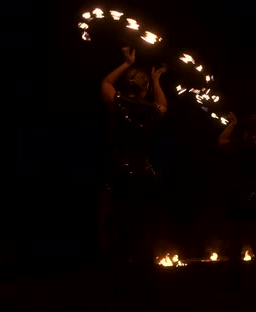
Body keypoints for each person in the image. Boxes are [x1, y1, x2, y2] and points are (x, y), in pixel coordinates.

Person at [98, 46, 167, 296]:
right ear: (145, 88)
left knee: (119, 230)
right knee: (143, 230)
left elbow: (106, 82)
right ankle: (145, 285)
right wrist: (157, 81)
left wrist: (126, 63)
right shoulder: (151, 110)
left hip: (121, 175)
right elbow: (163, 106)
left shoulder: (116, 103)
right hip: (145, 176)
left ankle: (120, 286)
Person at [216, 105, 256, 291]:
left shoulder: (234, 147)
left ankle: (233, 282)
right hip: (255, 199)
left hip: (235, 198)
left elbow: (221, 140)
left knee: (235, 242)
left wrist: (232, 123)